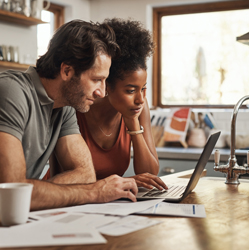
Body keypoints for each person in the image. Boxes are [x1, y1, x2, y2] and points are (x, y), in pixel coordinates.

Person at [0, 19, 138, 211]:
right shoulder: (11, 91)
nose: (101, 92)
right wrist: (94, 192)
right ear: (66, 71)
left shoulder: (64, 106)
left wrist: (35, 192)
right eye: (97, 80)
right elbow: (12, 194)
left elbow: (85, 174)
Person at [75, 18, 168, 191]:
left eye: (143, 89)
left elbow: (150, 174)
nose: (140, 99)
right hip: (64, 203)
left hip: (107, 205)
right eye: (131, 91)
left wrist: (133, 123)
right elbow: (70, 178)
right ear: (107, 85)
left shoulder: (138, 108)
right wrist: (125, 181)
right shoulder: (78, 108)